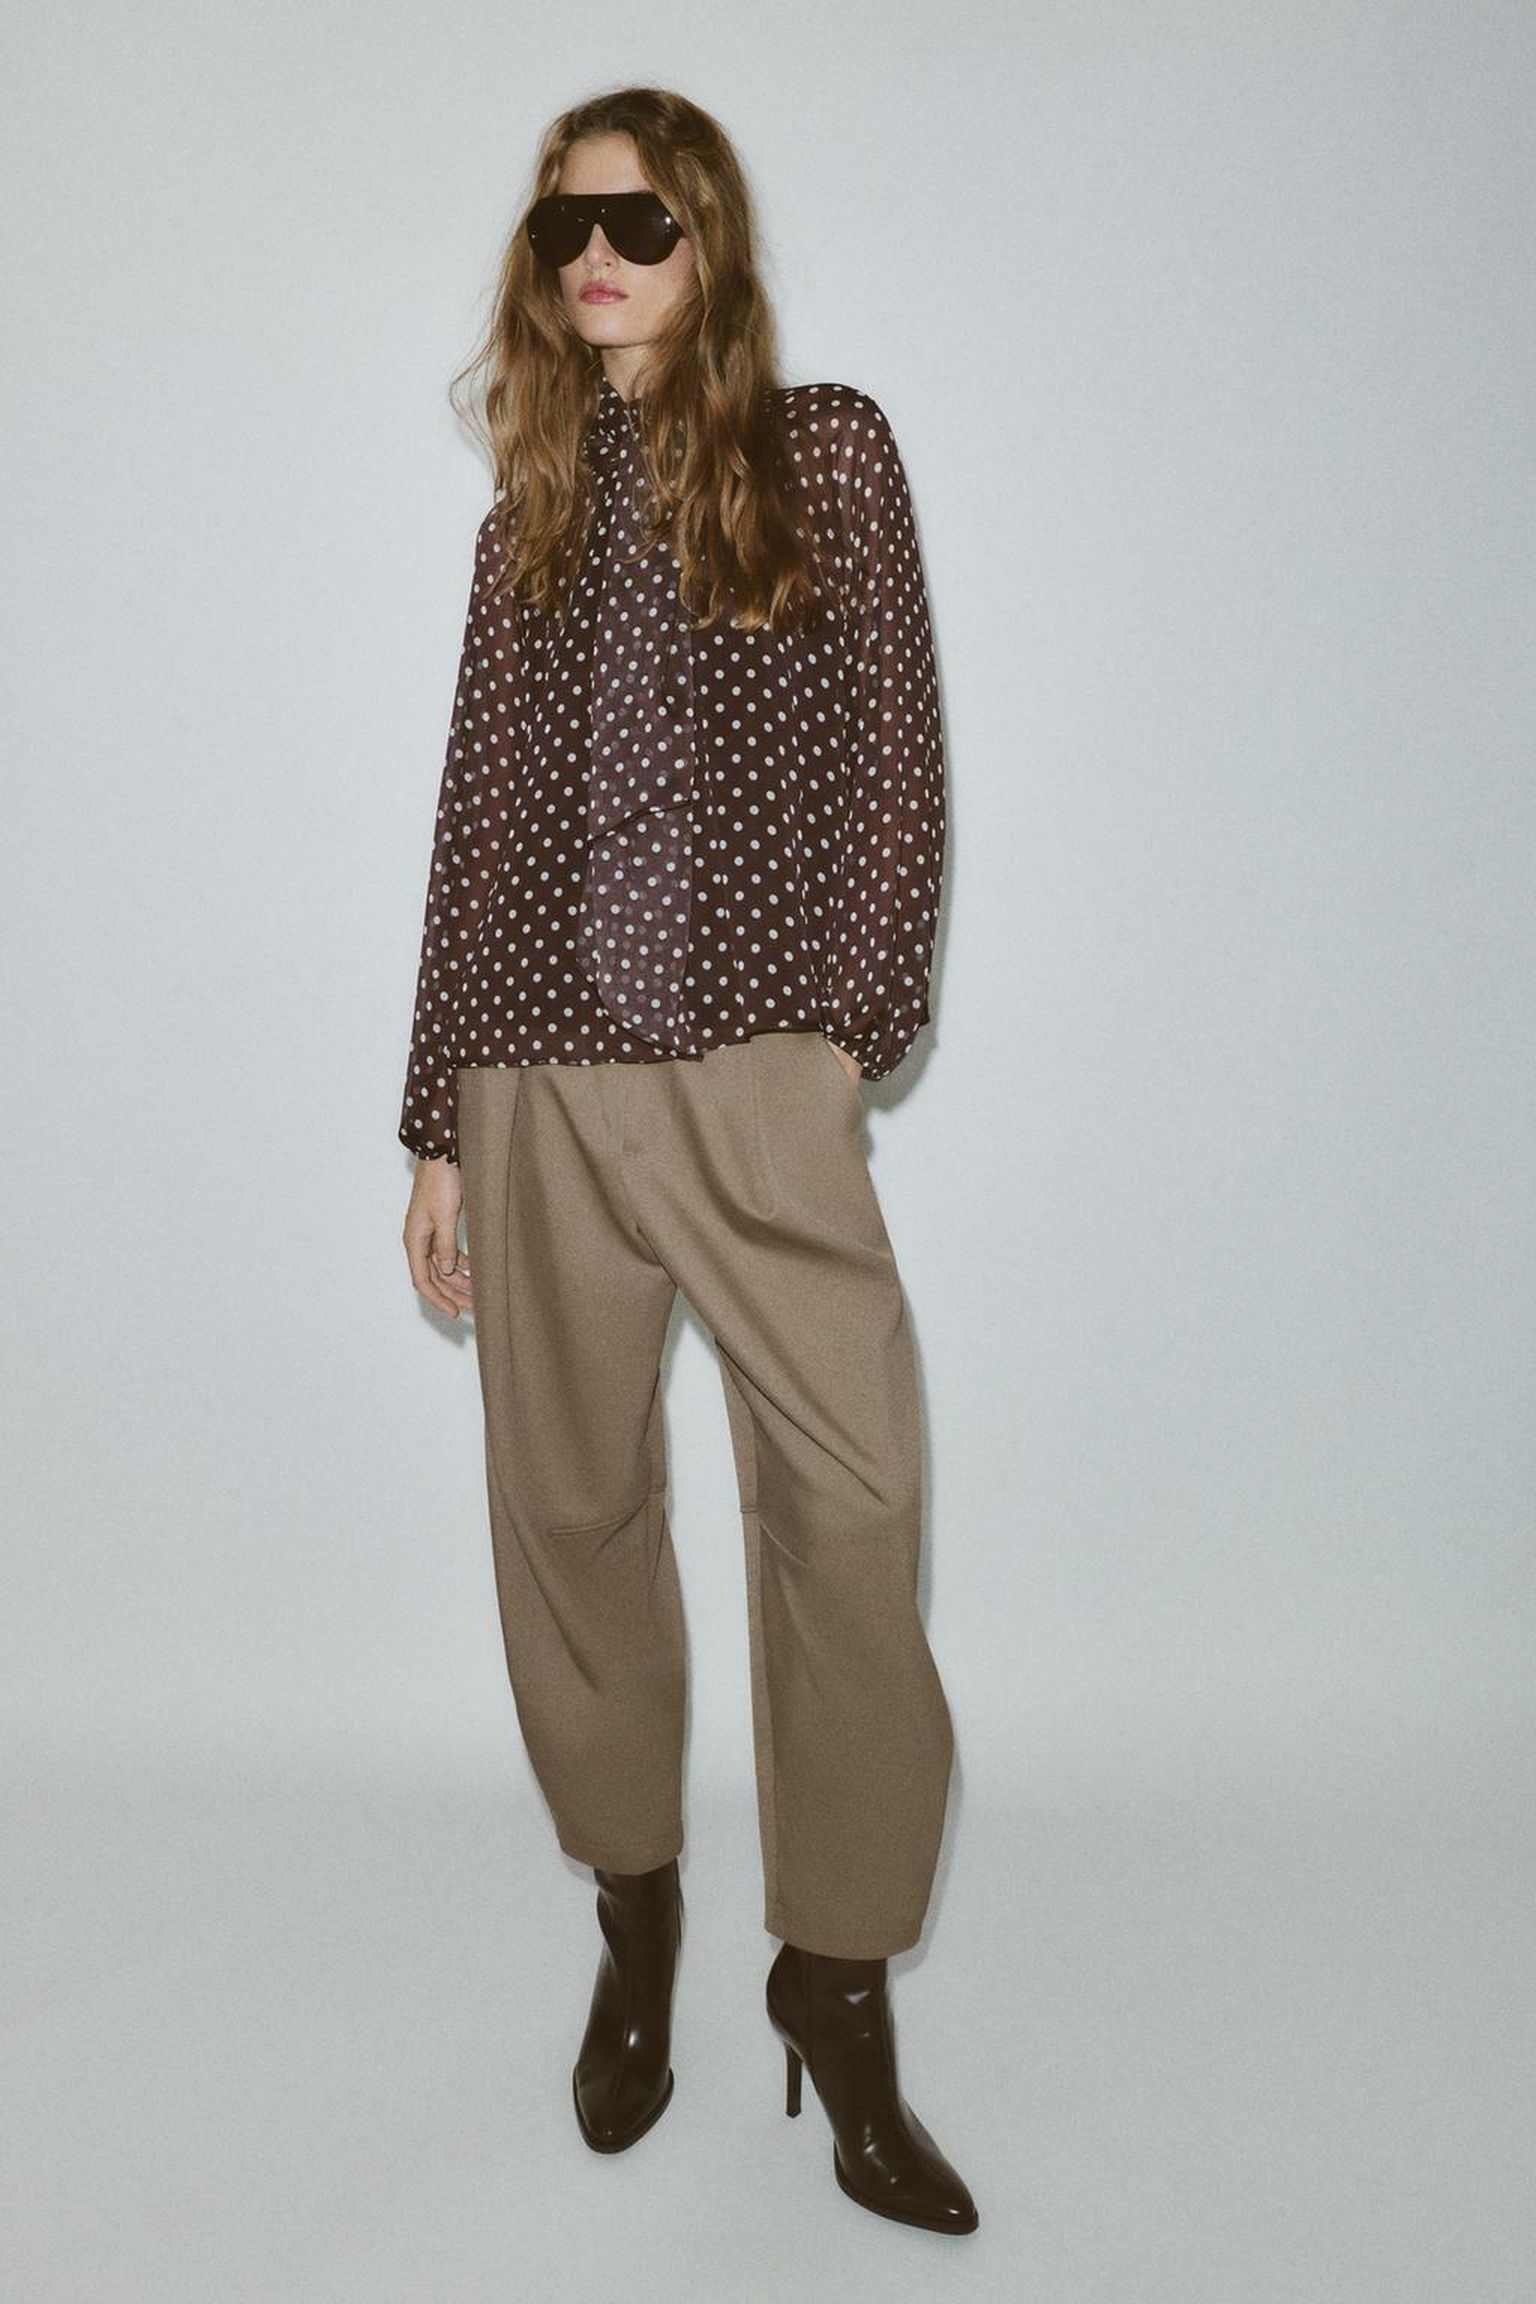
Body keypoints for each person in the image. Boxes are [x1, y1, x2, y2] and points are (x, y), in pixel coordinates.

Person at [398, 86, 977, 2237]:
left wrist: (845, 1035)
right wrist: (436, 1120)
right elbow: (474, 819)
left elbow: (900, 751)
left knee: (855, 1498)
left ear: (706, 240)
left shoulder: (828, 452)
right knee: (570, 1509)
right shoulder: (526, 520)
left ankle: (837, 1980)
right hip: (535, 1079)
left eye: (640, 222)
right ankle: (635, 1914)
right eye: (566, 230)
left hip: (756, 1073)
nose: (598, 258)